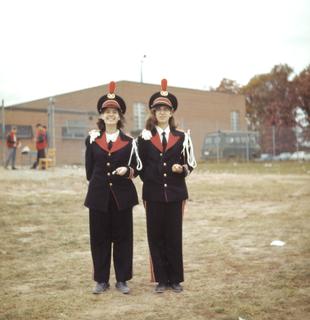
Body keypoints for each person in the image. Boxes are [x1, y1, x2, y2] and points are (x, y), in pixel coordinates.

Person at [137, 79, 197, 293]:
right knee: (156, 236)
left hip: (175, 193)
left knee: (173, 236)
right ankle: (161, 279)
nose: (162, 112)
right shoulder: (144, 138)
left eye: (166, 109)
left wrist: (182, 169)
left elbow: (191, 163)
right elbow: (139, 165)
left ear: (172, 112)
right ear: (153, 113)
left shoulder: (182, 137)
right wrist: (150, 178)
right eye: (158, 109)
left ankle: (175, 279)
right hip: (152, 194)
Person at [84, 81, 142, 295]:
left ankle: (122, 280)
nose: (110, 115)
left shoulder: (130, 142)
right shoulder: (91, 140)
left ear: (120, 116)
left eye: (114, 112)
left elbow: (137, 167)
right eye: (106, 112)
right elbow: (89, 171)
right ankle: (101, 280)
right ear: (101, 116)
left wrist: (127, 171)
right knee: (99, 239)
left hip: (122, 198)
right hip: (98, 197)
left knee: (123, 239)